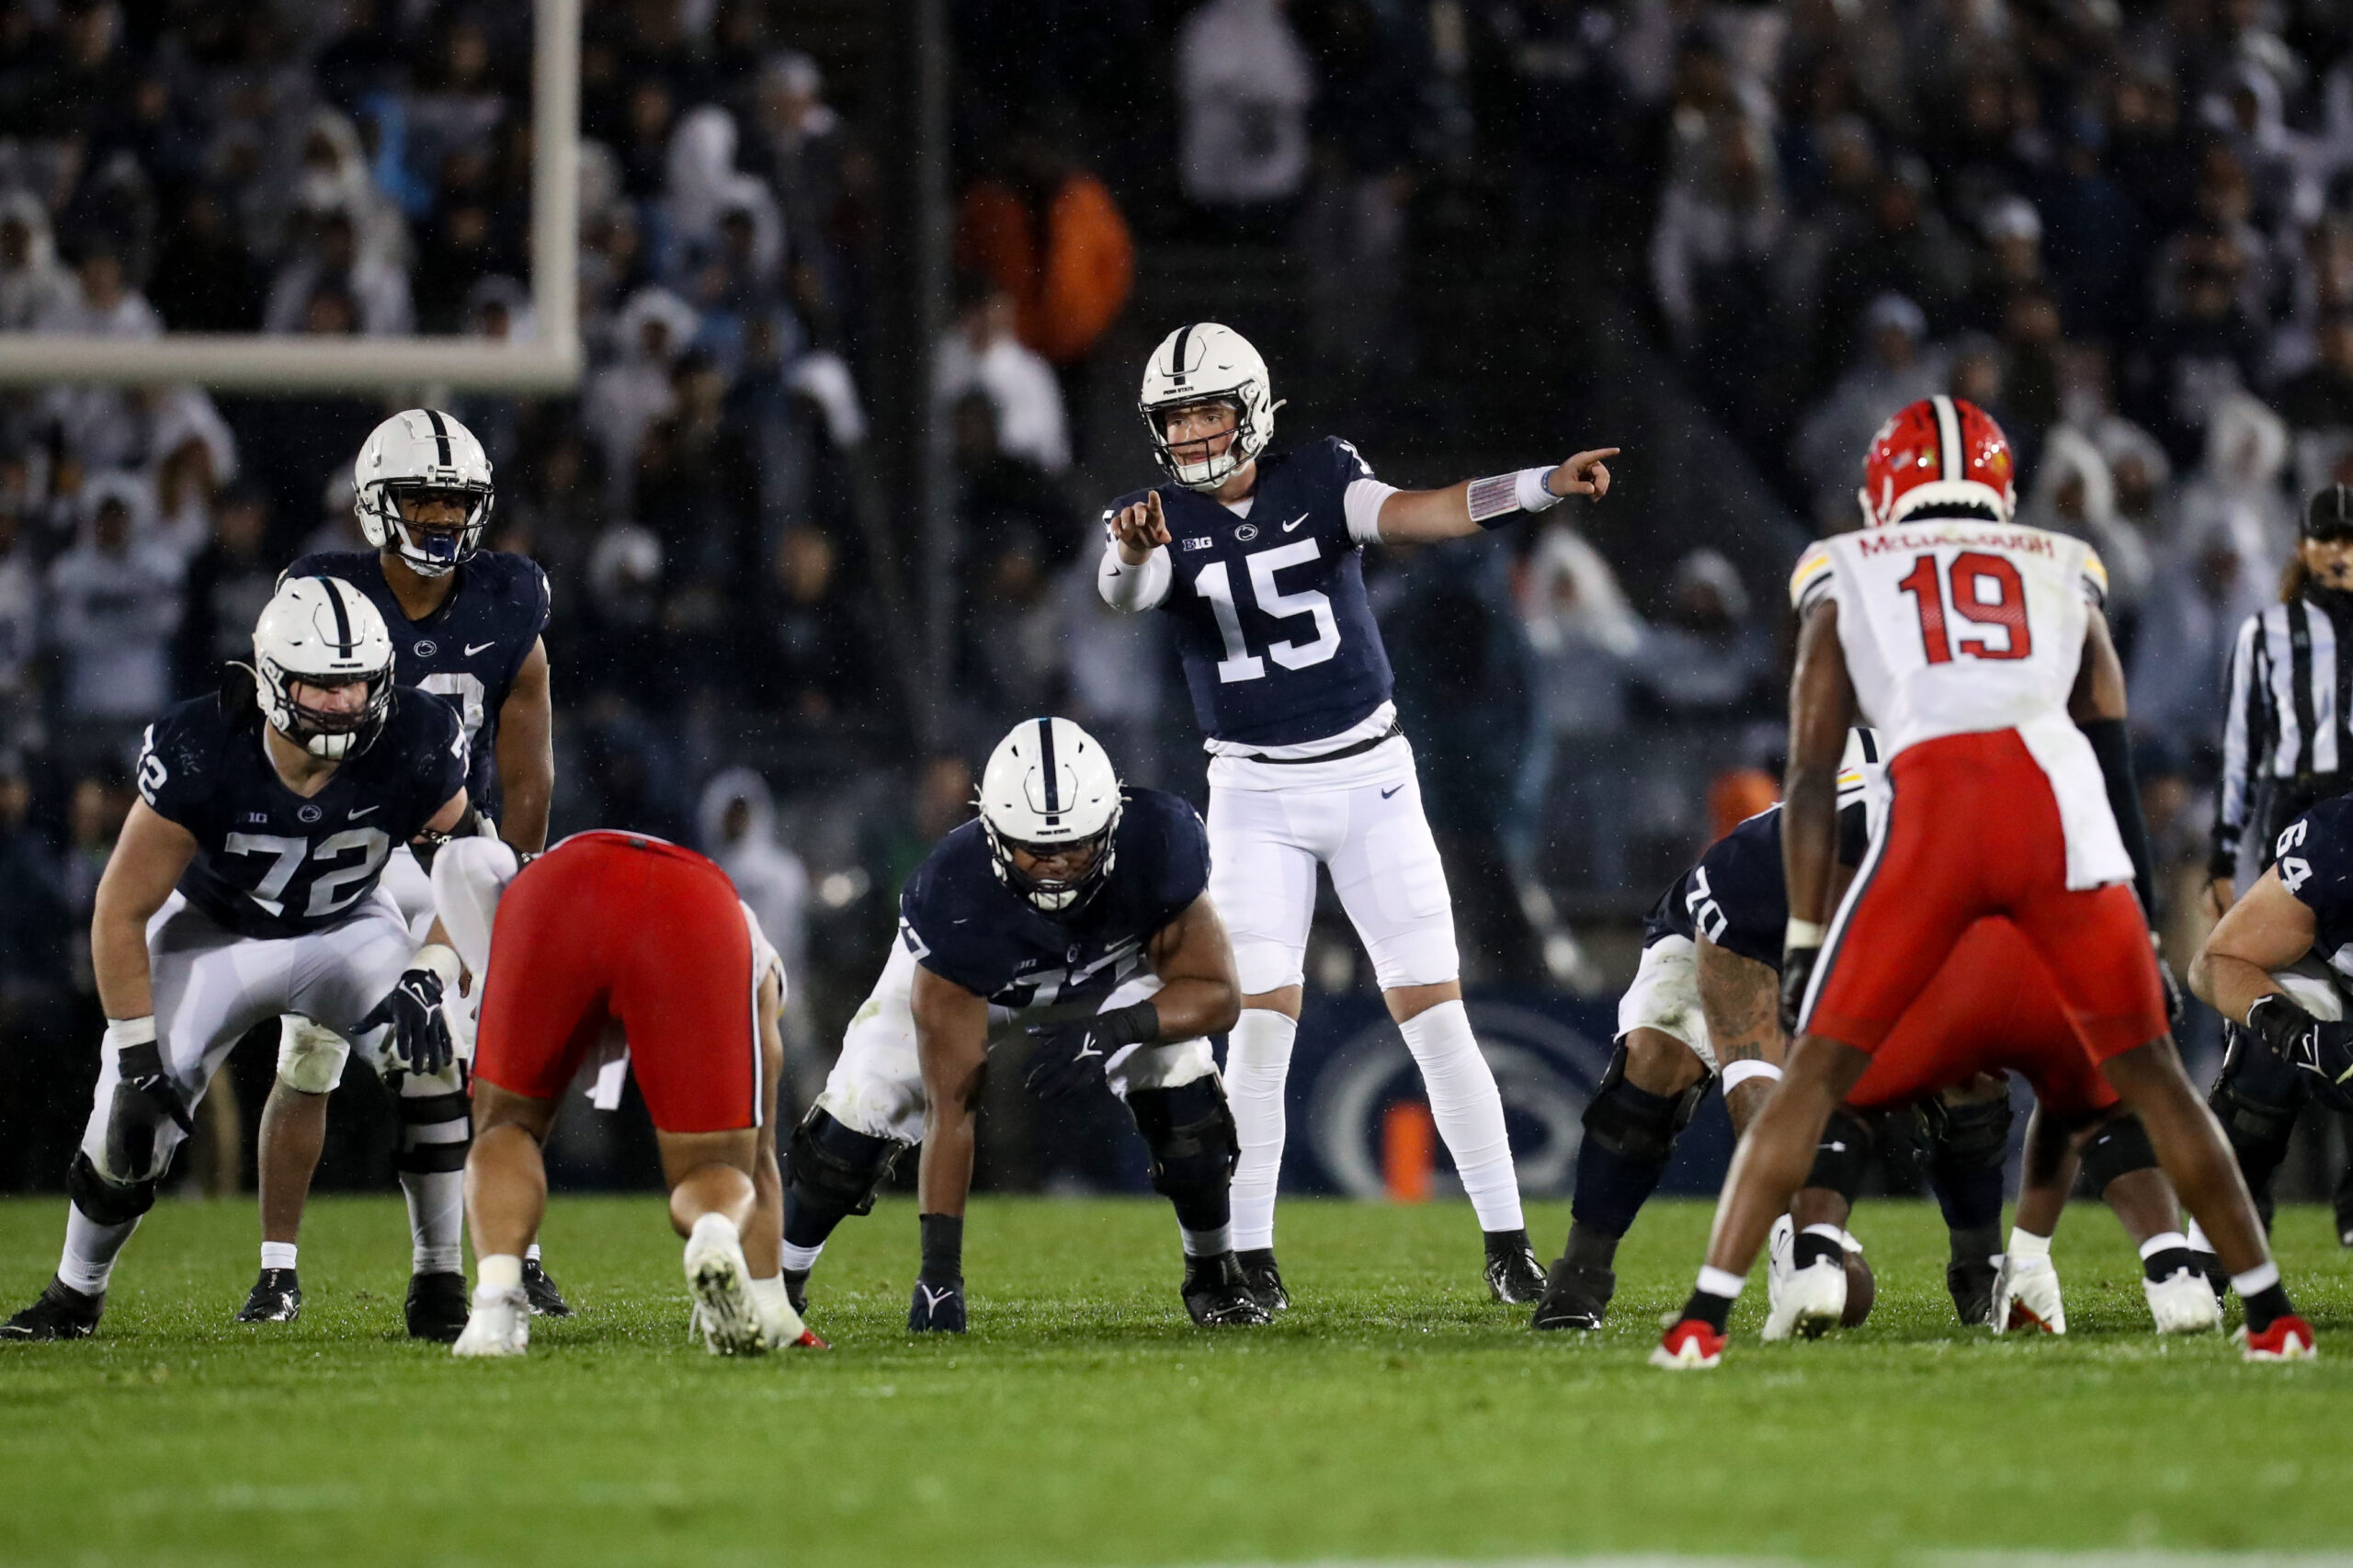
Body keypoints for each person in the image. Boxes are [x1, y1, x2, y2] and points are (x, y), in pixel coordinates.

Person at [1654, 395, 2312, 1369]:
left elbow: (1806, 769)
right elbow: (2110, 743)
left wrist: (1800, 937)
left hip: (1941, 810)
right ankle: (2269, 1312)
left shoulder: (1842, 564)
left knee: (1819, 1076)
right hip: (2061, 815)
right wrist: (2131, 906)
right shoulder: (2065, 561)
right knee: (2154, 1079)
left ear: (1885, 487)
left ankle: (1704, 1317)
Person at [1097, 321, 1619, 1306]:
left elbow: (1431, 513)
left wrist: (1539, 483)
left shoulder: (1321, 476)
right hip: (1252, 791)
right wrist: (1126, 555)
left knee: (1436, 1016)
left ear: (1249, 407)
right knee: (1259, 1028)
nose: (1195, 431)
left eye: (1209, 409)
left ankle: (1508, 1242)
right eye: (1177, 416)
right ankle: (1248, 1257)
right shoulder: (1152, 517)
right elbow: (1125, 592)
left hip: (1370, 779)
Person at [1540, 731, 2214, 1339]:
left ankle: (1982, 1268)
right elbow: (1757, 1077)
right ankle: (1583, 1271)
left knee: (1973, 1077)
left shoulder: (1988, 858)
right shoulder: (1757, 875)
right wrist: (1797, 1230)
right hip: (1755, 953)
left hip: (1890, 954)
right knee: (1660, 1058)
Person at [2, 577, 475, 1341]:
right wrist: (137, 1051)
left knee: (434, 1061)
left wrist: (432, 970)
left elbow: (470, 876)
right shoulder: (203, 746)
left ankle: (440, 1283)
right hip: (217, 934)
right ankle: (74, 1292)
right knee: (129, 1120)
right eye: (322, 683)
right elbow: (120, 910)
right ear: (271, 681)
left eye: (357, 682)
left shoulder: (416, 735)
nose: (345, 702)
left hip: (347, 927)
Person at [778, 717, 1265, 1332]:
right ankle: (777, 1283)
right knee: (857, 1117)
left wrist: (1111, 1030)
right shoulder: (955, 897)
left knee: (1185, 1091)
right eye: (1035, 849)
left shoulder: (1159, 842)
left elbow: (1218, 995)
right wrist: (939, 1276)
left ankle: (1215, 1274)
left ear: (1111, 827)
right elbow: (952, 1109)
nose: (1056, 867)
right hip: (989, 987)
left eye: (1076, 846)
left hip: (1109, 979)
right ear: (994, 836)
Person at [244, 408, 560, 1335]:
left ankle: (510, 1255)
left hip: (457, 847)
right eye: (418, 495)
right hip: (357, 845)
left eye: (452, 499)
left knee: (489, 1056)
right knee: (310, 1051)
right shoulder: (319, 591)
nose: (436, 516)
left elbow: (529, 748)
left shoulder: (509, 598)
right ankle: (277, 1266)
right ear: (375, 504)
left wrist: (522, 866)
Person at [429, 832, 818, 1358]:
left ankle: (495, 1307)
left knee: (507, 1126)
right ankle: (713, 1233)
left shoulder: (532, 879)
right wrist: (774, 1309)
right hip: (690, 909)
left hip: (560, 890)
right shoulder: (756, 956)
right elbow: (762, 1159)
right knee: (718, 1165)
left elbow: (463, 862)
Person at [2204, 483, 2353, 1247]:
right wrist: (2222, 856)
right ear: (2302, 546)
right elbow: (2240, 751)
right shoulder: (2267, 633)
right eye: (2328, 537)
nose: (2341, 552)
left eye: (2351, 539)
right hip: (2302, 842)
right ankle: (2235, 1217)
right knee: (2273, 1040)